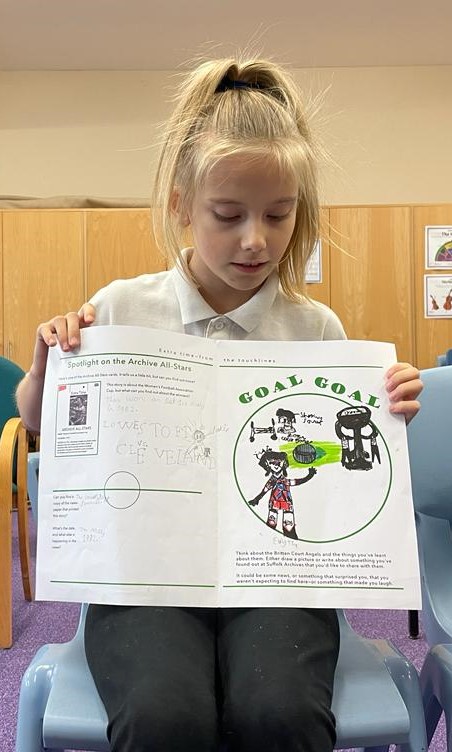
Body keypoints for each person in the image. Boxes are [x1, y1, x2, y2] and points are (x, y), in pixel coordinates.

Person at [16, 54, 423, 752]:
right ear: (179, 204)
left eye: (279, 215)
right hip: (146, 578)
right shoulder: (119, 306)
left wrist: (388, 412)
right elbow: (39, 424)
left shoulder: (315, 327)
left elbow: (343, 478)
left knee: (281, 713)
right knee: (163, 717)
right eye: (228, 215)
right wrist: (46, 367)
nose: (255, 240)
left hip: (276, 574)